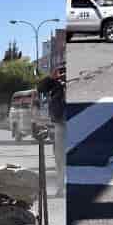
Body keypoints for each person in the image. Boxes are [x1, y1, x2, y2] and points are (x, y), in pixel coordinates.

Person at [38, 63, 66, 197]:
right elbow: (40, 89)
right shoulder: (55, 83)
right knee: (60, 157)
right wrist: (51, 78)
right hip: (61, 123)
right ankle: (61, 189)